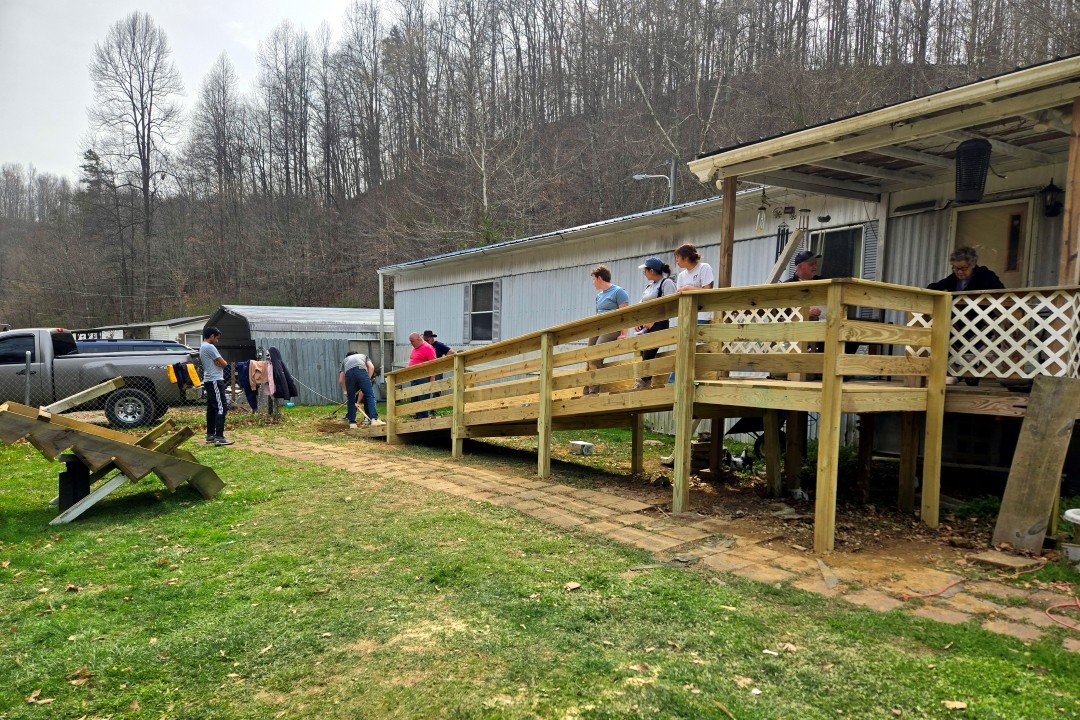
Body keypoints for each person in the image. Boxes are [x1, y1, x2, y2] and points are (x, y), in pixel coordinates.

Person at [584, 264, 629, 395]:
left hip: (612, 327)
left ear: (599, 278)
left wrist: (624, 333)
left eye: (593, 279)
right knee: (588, 354)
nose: (593, 283)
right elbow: (597, 314)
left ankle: (593, 392)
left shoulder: (618, 291)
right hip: (598, 328)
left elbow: (626, 314)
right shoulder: (599, 296)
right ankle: (586, 389)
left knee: (597, 353)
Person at [633, 257, 677, 390]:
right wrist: (638, 320)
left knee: (649, 353)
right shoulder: (649, 286)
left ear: (651, 271)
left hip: (659, 323)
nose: (644, 274)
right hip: (645, 325)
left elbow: (671, 305)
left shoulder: (666, 283)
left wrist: (654, 320)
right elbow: (642, 305)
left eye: (645, 271)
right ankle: (645, 382)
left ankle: (642, 382)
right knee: (643, 350)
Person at [200, 326, 234, 446]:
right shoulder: (210, 347)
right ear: (212, 336)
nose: (217, 341)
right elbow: (224, 363)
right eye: (216, 338)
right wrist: (221, 364)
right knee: (221, 407)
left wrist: (218, 363)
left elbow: (218, 362)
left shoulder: (202, 346)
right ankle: (219, 437)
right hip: (215, 380)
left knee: (212, 408)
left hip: (208, 380)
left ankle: (210, 435)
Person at [928, 246, 1005, 292]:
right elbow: (933, 287)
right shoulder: (953, 279)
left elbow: (1001, 294)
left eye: (964, 268)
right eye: (956, 268)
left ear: (973, 264)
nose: (959, 272)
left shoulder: (986, 276)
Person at [338, 351, 383, 428]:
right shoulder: (363, 356)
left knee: (351, 399)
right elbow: (371, 367)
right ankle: (374, 419)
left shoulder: (345, 360)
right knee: (370, 396)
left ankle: (352, 423)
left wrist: (345, 390)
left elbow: (341, 380)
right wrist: (367, 380)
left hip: (349, 374)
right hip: (361, 371)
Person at [674, 243, 715, 322]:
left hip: (701, 316)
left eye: (677, 257)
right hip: (684, 315)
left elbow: (708, 291)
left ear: (686, 257)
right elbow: (678, 293)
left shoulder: (704, 268)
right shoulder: (681, 275)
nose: (676, 260)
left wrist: (687, 288)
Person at [784, 250, 824, 318]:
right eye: (811, 264)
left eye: (815, 263)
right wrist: (805, 313)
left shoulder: (824, 281)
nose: (815, 267)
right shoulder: (787, 285)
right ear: (799, 267)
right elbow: (783, 313)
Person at [408, 331, 437, 418]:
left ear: (418, 339)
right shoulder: (414, 348)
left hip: (423, 377)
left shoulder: (428, 348)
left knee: (423, 398)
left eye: (412, 341)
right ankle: (416, 418)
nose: (411, 343)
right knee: (415, 398)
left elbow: (434, 363)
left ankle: (422, 419)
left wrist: (432, 377)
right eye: (410, 341)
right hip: (414, 377)